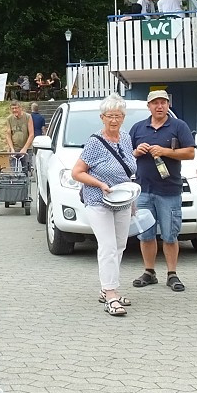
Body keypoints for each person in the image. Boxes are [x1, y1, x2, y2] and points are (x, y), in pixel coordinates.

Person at [71, 94, 138, 317]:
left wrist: (132, 199)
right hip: (97, 199)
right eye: (110, 116)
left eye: (118, 116)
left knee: (120, 245)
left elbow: (130, 170)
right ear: (102, 117)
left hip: (122, 200)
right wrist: (99, 183)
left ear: (123, 117)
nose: (114, 120)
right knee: (107, 246)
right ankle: (111, 295)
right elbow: (77, 172)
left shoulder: (127, 139)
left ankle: (108, 287)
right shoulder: (94, 143)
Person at [129, 90, 195, 293]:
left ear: (168, 105)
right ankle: (149, 272)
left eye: (163, 102)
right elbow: (125, 154)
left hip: (169, 190)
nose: (159, 106)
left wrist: (165, 151)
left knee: (170, 235)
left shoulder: (179, 126)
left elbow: (190, 153)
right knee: (146, 235)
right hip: (144, 190)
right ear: (148, 106)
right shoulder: (138, 128)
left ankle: (172, 274)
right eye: (155, 103)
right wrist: (136, 152)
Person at [5, 101, 34, 171]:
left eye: (16, 108)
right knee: (13, 170)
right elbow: (8, 135)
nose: (14, 110)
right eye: (12, 108)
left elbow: (31, 134)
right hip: (14, 148)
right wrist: (11, 148)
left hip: (26, 148)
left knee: (26, 170)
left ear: (20, 108)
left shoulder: (28, 117)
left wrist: (25, 148)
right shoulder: (9, 119)